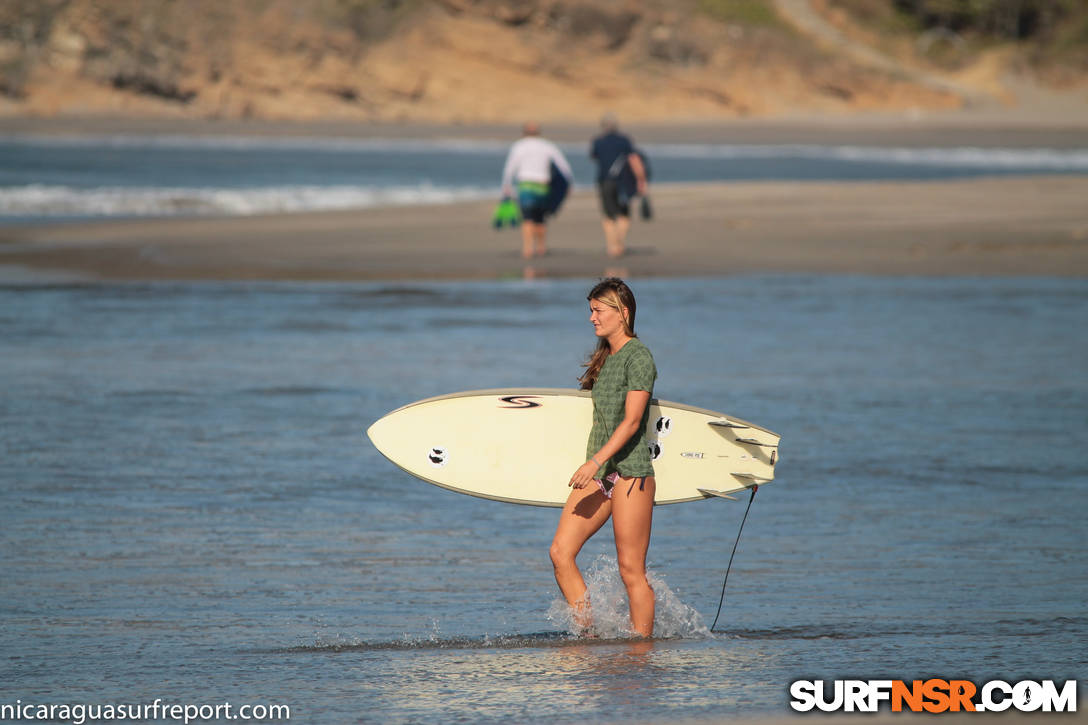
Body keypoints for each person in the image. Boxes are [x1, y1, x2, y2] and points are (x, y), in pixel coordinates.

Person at [549, 277, 658, 637]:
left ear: (622, 313)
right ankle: (589, 638)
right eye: (591, 311)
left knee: (630, 569)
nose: (592, 318)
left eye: (598, 311)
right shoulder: (605, 358)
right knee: (560, 553)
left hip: (629, 474)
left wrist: (594, 462)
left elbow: (631, 423)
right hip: (600, 476)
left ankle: (641, 650)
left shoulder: (638, 357)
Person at [500, 121, 574, 259]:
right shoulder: (547, 145)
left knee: (527, 218)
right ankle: (541, 247)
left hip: (526, 186)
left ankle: (528, 249)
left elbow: (509, 168)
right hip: (542, 186)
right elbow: (564, 166)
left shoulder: (519, 146)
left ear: (523, 133)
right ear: (538, 132)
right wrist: (569, 184)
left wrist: (506, 186)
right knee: (540, 218)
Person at [590, 113, 648, 258]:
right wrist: (641, 180)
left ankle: (611, 245)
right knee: (624, 213)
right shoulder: (624, 141)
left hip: (605, 181)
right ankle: (619, 242)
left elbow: (594, 157)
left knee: (608, 214)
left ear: (603, 127)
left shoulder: (598, 141)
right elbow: (634, 160)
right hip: (624, 182)